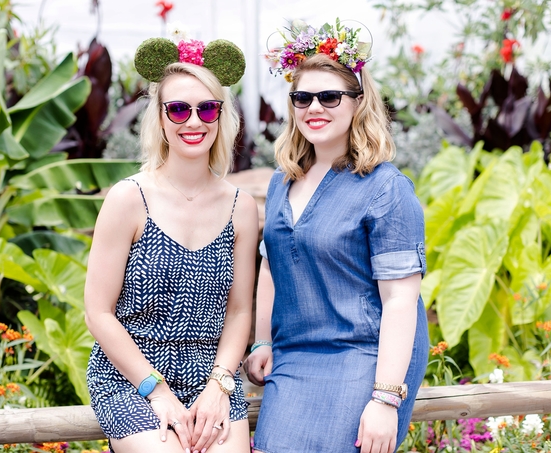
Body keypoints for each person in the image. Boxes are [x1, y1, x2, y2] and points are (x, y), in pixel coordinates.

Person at [244, 20, 429, 453]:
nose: (314, 108)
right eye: (302, 97)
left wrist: (385, 398)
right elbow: (271, 267)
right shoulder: (279, 184)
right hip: (295, 357)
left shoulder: (386, 188)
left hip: (364, 358)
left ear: (358, 102)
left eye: (329, 96)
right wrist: (263, 340)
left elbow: (401, 300)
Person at [85, 36, 258, 453]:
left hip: (210, 372)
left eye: (207, 108)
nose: (193, 121)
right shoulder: (128, 198)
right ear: (160, 119)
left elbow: (239, 312)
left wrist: (220, 385)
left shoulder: (241, 206)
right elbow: (98, 312)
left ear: (221, 116)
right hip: (132, 374)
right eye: (178, 108)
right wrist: (157, 391)